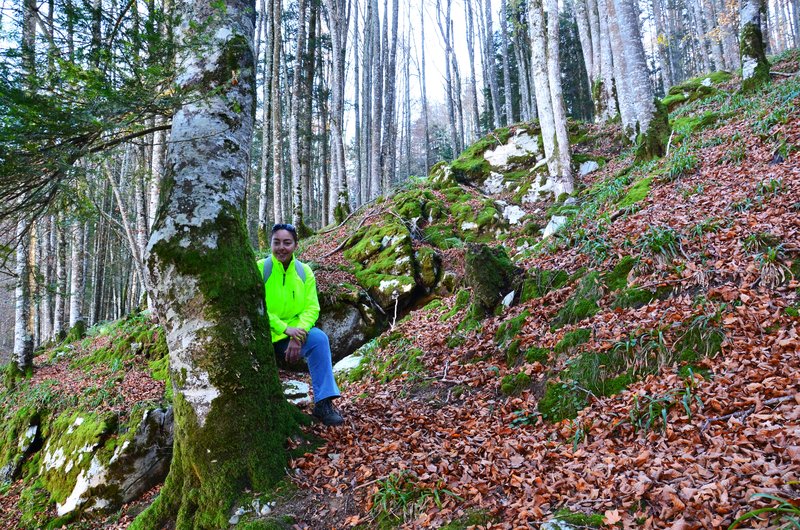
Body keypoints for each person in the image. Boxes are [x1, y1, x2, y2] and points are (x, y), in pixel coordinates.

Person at [257, 223, 344, 426]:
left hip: (295, 334)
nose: (281, 247)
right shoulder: (261, 268)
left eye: (287, 243)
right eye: (276, 242)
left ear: (296, 245)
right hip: (265, 335)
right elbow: (256, 306)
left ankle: (323, 403)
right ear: (270, 243)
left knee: (319, 339)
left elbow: (312, 308)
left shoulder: (304, 272)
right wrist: (283, 328)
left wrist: (298, 334)